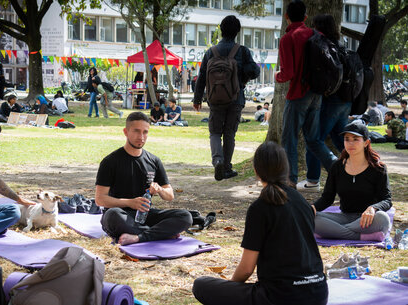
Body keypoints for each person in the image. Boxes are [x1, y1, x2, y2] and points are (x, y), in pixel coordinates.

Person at [193, 142, 328, 305]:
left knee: (201, 285)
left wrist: (230, 288)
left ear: (257, 171)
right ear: (286, 168)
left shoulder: (260, 207)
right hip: (319, 294)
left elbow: (247, 269)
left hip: (281, 297)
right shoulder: (303, 202)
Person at [95, 112, 192, 245]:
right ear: (126, 132)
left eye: (145, 132)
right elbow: (100, 199)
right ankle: (159, 233)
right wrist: (130, 203)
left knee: (185, 216)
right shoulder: (110, 161)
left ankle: (139, 237)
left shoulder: (153, 161)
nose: (141, 137)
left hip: (144, 216)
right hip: (121, 215)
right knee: (112, 215)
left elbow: (170, 196)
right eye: (136, 131)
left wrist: (160, 190)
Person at [276, 1, 336, 187]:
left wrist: (278, 76)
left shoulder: (288, 38)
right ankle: (337, 170)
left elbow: (289, 73)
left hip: (297, 94)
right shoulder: (316, 34)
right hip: (316, 92)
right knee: (313, 139)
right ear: (305, 17)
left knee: (289, 139)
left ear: (286, 16)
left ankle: (290, 180)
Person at [193, 15, 260, 181]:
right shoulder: (242, 51)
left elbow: (202, 76)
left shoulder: (211, 52)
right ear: (238, 31)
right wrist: (241, 75)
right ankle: (227, 168)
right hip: (236, 98)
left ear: (221, 30)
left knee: (215, 132)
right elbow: (254, 71)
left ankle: (217, 161)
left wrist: (197, 98)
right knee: (229, 132)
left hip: (215, 98)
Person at [313, 121, 392, 242]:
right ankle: (360, 236)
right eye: (347, 139)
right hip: (344, 217)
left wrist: (373, 208)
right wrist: (312, 208)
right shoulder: (337, 167)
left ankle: (332, 231)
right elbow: (327, 198)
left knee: (383, 218)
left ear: (366, 143)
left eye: (356, 139)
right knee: (312, 218)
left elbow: (386, 200)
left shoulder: (378, 168)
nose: (350, 143)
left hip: (369, 219)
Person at [298, 14, 352, 192]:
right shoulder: (340, 46)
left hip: (329, 100)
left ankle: (313, 180)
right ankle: (356, 173)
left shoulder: (320, 45)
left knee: (314, 140)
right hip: (346, 100)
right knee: (341, 141)